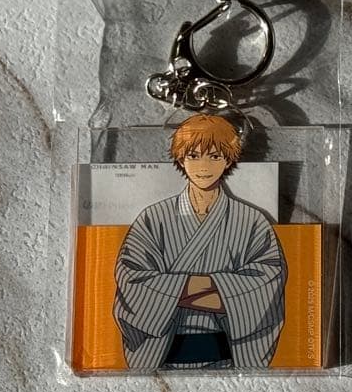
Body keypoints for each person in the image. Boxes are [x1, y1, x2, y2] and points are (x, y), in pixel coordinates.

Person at [113, 114, 287, 369]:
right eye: (193, 156)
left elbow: (265, 286)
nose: (203, 166)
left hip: (226, 357)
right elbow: (132, 281)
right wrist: (224, 291)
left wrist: (170, 292)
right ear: (180, 159)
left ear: (229, 160)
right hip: (162, 356)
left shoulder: (251, 220)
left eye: (214, 156)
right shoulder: (153, 217)